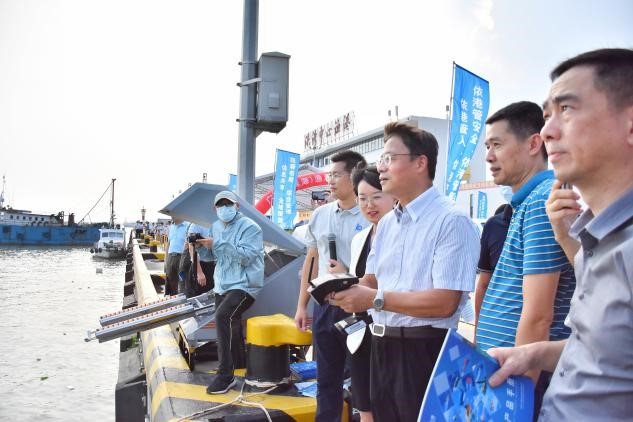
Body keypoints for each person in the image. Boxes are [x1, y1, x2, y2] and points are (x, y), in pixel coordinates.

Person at [488, 48, 633, 421]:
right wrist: (534, 354)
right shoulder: (598, 238)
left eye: (567, 109)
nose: (547, 132)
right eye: (547, 114)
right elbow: (604, 352)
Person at [330, 122, 480, 421]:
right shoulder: (388, 223)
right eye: (381, 159)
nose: (381, 167)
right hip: (381, 345)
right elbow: (373, 279)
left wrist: (373, 298)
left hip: (425, 350)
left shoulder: (451, 220)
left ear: (420, 163)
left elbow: (445, 302)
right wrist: (343, 287)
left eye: (389, 158)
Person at [476, 103, 576, 397]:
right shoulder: (528, 202)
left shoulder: (541, 202)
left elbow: (539, 315)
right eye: (487, 146)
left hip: (526, 378)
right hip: (511, 370)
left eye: (497, 145)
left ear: (534, 144)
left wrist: (520, 395)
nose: (489, 156)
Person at [294, 150, 369, 422]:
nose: (330, 181)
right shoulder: (320, 215)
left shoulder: (370, 214)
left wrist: (347, 273)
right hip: (325, 307)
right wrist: (301, 306)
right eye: (329, 175)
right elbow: (311, 262)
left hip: (359, 308)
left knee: (362, 380)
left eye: (336, 175)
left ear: (354, 175)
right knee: (326, 379)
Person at [329, 165, 396, 422]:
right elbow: (364, 280)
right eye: (362, 198)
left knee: (391, 402)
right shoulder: (361, 238)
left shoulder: (402, 235)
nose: (369, 205)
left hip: (392, 329)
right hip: (361, 329)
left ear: (393, 194)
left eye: (376, 196)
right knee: (364, 400)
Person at [202, 190, 265, 395]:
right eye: (220, 205)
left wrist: (217, 243)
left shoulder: (251, 227)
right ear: (215, 209)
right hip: (222, 284)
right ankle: (238, 365)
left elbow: (247, 257)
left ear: (237, 206)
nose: (224, 208)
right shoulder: (215, 227)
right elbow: (212, 257)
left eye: (228, 204)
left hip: (245, 285)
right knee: (231, 324)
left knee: (223, 317)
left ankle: (225, 376)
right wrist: (201, 247)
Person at [474, 202, 512, 326]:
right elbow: (483, 284)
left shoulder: (549, 222)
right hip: (495, 325)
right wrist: (478, 328)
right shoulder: (493, 225)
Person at [187, 222, 215, 297]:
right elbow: (191, 247)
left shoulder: (218, 223)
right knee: (198, 298)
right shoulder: (196, 224)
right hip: (201, 265)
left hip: (215, 266)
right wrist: (199, 272)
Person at [164, 217, 189, 295]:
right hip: (170, 256)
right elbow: (168, 244)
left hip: (182, 257)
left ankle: (182, 299)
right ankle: (172, 297)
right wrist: (165, 261)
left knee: (182, 281)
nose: (171, 216)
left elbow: (189, 244)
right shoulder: (171, 227)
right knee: (171, 281)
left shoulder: (188, 226)